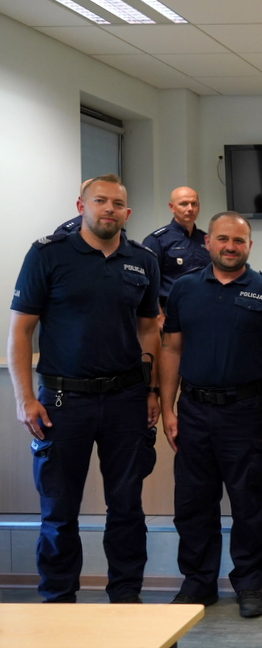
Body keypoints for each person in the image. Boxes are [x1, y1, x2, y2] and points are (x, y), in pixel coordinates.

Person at [9, 174, 161, 603]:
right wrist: (24, 398)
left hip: (126, 400)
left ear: (127, 213)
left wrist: (151, 390)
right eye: (100, 201)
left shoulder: (143, 260)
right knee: (59, 512)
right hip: (62, 401)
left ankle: (126, 600)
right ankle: (58, 602)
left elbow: (149, 328)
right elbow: (20, 331)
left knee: (127, 508)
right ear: (81, 206)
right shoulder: (47, 255)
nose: (109, 209)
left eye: (117, 204)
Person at [159, 211, 262, 619]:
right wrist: (167, 408)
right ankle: (198, 583)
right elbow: (171, 349)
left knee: (248, 502)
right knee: (193, 503)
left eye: (239, 240)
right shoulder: (183, 289)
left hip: (246, 412)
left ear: (249, 245)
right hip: (193, 410)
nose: (231, 247)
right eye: (223, 239)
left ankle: (249, 584)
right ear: (208, 242)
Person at [143, 187, 210, 305]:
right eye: (184, 204)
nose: (190, 209)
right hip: (170, 307)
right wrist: (157, 313)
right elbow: (147, 284)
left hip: (203, 305)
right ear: (172, 207)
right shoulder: (157, 240)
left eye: (194, 204)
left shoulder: (206, 240)